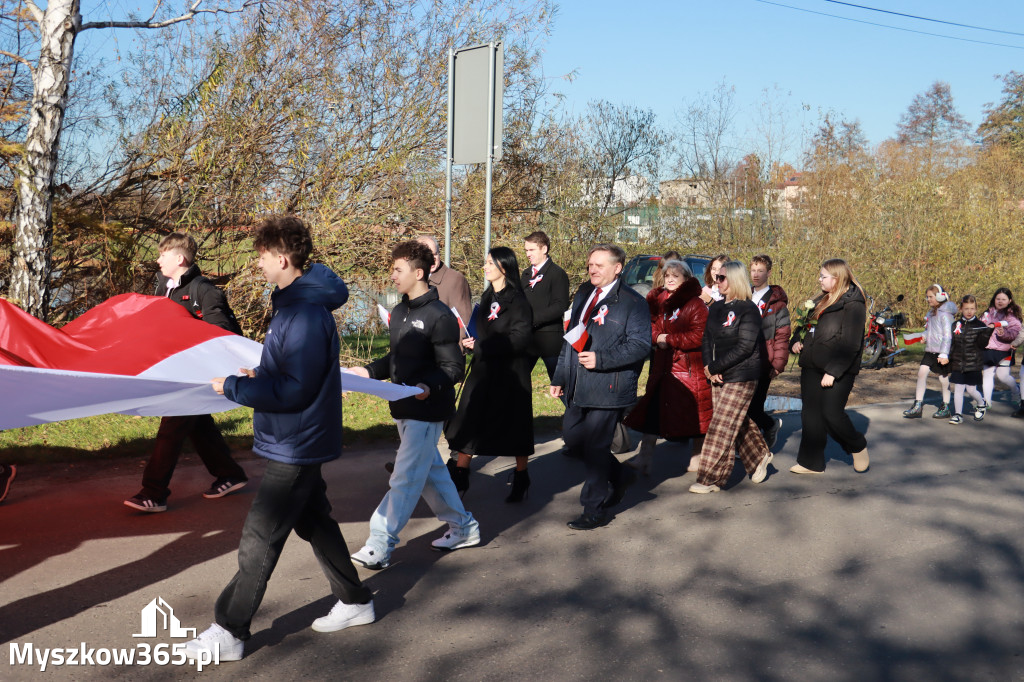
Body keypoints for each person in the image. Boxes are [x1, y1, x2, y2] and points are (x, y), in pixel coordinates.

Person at [186, 217, 374, 662]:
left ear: (282, 258)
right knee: (316, 523)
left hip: (298, 441)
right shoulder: (293, 305)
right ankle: (356, 601)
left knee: (260, 536)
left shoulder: (305, 313)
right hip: (296, 438)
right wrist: (259, 374)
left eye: (262, 256)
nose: (258, 263)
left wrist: (234, 387)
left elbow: (296, 390)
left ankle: (229, 630)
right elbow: (289, 374)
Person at [347, 240, 480, 569]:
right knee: (433, 474)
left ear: (418, 273)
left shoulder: (440, 316)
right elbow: (396, 358)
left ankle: (380, 542)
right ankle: (464, 528)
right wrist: (366, 371)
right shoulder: (401, 312)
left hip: (427, 410)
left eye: (398, 269)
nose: (392, 275)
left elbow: (453, 369)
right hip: (403, 408)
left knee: (404, 478)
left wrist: (426, 387)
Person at [124, 232, 248, 513]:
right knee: (198, 425)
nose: (157, 260)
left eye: (163, 255)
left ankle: (153, 492)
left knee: (173, 426)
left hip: (199, 375)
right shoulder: (161, 289)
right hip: (174, 371)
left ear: (179, 258)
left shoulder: (205, 290)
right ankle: (230, 474)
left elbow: (223, 334)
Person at [550, 244, 652, 530]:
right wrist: (559, 377)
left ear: (617, 268)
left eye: (599, 265)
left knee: (596, 447)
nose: (592, 269)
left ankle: (593, 509)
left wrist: (602, 359)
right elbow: (571, 337)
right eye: (590, 264)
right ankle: (619, 476)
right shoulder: (584, 293)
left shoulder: (633, 302)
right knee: (573, 438)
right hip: (577, 384)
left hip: (609, 386)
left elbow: (640, 345)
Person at [446, 247, 535, 502]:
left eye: (489, 263)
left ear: (503, 268)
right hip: (483, 371)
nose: (484, 267)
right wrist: (471, 339)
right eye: (485, 262)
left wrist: (482, 345)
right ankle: (459, 478)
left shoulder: (518, 301)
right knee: (468, 421)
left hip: (509, 375)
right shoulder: (487, 297)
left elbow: (519, 339)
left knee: (515, 428)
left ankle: (521, 477)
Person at [688, 261, 773, 494]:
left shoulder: (749, 309)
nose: (717, 282)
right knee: (734, 419)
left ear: (735, 279)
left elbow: (745, 347)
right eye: (717, 278)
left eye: (722, 278)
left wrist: (715, 366)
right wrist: (709, 367)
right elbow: (707, 339)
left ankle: (710, 479)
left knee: (721, 426)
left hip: (742, 375)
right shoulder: (716, 308)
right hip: (718, 374)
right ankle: (759, 457)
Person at [623, 260, 711, 476]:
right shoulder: (658, 300)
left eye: (676, 276)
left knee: (696, 416)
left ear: (686, 279)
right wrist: (657, 337)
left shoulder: (695, 304)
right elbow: (648, 327)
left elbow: (698, 336)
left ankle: (696, 459)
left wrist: (668, 339)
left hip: (688, 369)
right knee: (652, 412)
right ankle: (644, 458)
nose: (670, 279)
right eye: (667, 275)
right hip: (662, 367)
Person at [789, 259, 870, 474]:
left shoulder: (854, 304)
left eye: (823, 276)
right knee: (811, 415)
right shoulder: (819, 300)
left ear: (837, 278)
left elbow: (851, 343)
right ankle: (810, 462)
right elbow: (803, 328)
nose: (819, 279)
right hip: (811, 366)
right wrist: (796, 341)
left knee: (831, 414)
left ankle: (857, 446)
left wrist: (833, 372)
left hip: (838, 369)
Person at [747, 254, 791, 448]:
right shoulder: (744, 295)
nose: (756, 275)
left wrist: (778, 364)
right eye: (753, 270)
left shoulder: (777, 303)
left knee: (755, 406)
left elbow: (782, 335)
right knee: (744, 406)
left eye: (760, 271)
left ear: (769, 273)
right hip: (744, 359)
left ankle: (768, 427)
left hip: (765, 360)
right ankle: (751, 444)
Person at [520, 231, 571, 384]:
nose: (528, 254)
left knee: (560, 385)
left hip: (549, 339)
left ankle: (577, 408)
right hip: (527, 339)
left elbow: (560, 305)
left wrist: (532, 319)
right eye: (526, 250)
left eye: (532, 250)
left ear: (544, 249)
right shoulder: (526, 273)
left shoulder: (557, 273)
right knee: (517, 382)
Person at [903, 284, 957, 419]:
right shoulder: (931, 313)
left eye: (931, 297)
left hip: (942, 352)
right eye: (927, 297)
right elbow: (930, 330)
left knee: (943, 379)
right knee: (921, 373)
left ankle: (945, 406)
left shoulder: (946, 315)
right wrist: (924, 336)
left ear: (940, 296)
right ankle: (918, 405)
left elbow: (947, 335)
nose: (928, 299)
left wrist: (944, 354)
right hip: (930, 350)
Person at [976, 287, 1022, 420]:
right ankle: (987, 401)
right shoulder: (988, 313)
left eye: (1003, 299)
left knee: (1003, 377)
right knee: (988, 374)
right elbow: (980, 326)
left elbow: (1015, 333)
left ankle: (1015, 391)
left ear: (1009, 301)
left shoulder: (1012, 316)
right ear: (994, 299)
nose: (1000, 301)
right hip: (988, 349)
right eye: (998, 299)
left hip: (1005, 350)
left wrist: (1003, 333)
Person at [946, 295, 992, 424]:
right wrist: (948, 358)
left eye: (972, 308)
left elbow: (982, 345)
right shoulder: (956, 324)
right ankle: (958, 414)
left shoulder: (981, 325)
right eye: (966, 308)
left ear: (976, 309)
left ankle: (981, 403)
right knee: (959, 389)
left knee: (971, 390)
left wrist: (988, 332)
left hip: (973, 363)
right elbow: (952, 343)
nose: (969, 311)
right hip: (958, 363)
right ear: (961, 309)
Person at [416, 234, 473, 335]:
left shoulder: (455, 279)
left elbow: (463, 323)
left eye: (435, 254)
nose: (433, 259)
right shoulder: (414, 279)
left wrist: (455, 349)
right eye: (427, 255)